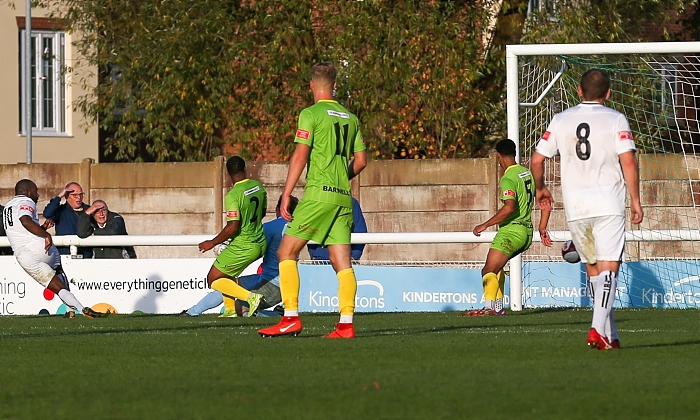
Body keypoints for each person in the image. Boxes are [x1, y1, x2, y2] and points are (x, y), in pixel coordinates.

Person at [531, 68, 643, 350]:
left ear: (579, 91)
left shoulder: (560, 119)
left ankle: (611, 334)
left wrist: (542, 188)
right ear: (608, 93)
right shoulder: (616, 118)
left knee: (594, 269)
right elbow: (628, 161)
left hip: (576, 206)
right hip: (608, 204)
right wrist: (636, 200)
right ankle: (596, 329)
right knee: (610, 268)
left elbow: (536, 160)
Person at [258, 61, 367, 339]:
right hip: (344, 198)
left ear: (311, 86)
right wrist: (340, 176)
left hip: (319, 194)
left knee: (286, 252)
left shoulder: (310, 113)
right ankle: (345, 325)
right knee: (342, 261)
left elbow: (300, 155)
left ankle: (291, 318)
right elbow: (362, 161)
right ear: (335, 86)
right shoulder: (350, 118)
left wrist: (285, 193)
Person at [468, 139, 552, 317]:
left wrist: (485, 224)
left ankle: (490, 308)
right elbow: (545, 202)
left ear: (499, 156)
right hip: (526, 233)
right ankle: (497, 308)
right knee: (496, 269)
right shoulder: (527, 173)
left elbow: (509, 207)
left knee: (488, 270)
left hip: (511, 231)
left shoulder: (508, 177)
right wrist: (542, 227)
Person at [179, 195, 299, 317]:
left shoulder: (270, 227)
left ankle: (276, 316)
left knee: (236, 305)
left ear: (278, 208)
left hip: (272, 284)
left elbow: (254, 249)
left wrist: (229, 252)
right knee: (229, 284)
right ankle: (192, 311)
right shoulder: (297, 228)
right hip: (287, 284)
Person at [2, 179, 105, 318]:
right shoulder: (26, 201)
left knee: (58, 288)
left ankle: (77, 309)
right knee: (59, 274)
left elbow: (21, 230)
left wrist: (42, 228)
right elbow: (25, 220)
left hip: (24, 256)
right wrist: (46, 234)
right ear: (26, 192)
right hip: (41, 247)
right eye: (35, 191)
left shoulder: (8, 207)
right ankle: (74, 309)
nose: (37, 195)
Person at [197, 156, 268, 318]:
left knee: (213, 279)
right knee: (226, 274)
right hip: (260, 241)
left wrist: (212, 242)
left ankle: (251, 298)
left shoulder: (233, 195)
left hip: (244, 244)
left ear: (228, 174)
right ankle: (230, 310)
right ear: (245, 169)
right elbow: (262, 212)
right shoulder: (257, 186)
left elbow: (233, 226)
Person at [43, 182, 92, 258]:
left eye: (81, 194)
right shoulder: (61, 211)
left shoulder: (89, 210)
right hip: (65, 254)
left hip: (86, 254)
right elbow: (47, 213)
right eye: (75, 195)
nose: (78, 197)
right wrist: (59, 196)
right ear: (66, 196)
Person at [307, 197, 367, 261]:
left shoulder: (350, 202)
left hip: (344, 258)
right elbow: (310, 229)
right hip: (320, 258)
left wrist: (354, 256)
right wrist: (314, 254)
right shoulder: (317, 201)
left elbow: (360, 231)